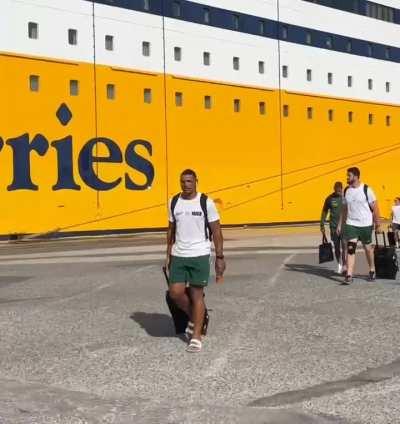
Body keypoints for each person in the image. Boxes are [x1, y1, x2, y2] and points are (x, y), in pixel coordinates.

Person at [166, 169, 225, 353]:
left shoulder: (205, 202)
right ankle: (197, 317)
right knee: (175, 293)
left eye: (189, 181)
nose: (186, 184)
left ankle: (196, 337)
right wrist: (168, 254)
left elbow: (216, 231)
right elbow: (170, 230)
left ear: (196, 182)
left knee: (196, 294)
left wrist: (220, 257)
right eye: (183, 181)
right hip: (179, 254)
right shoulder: (174, 202)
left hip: (199, 253)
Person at [337, 167, 381, 284]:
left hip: (366, 224)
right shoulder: (346, 191)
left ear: (356, 176)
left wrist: (377, 223)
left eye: (349, 176)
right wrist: (340, 225)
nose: (347, 178)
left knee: (368, 249)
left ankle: (372, 269)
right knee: (351, 248)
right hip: (352, 224)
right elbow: (344, 209)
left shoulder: (367, 189)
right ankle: (349, 275)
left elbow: (375, 207)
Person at [320, 181, 346, 274]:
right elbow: (324, 211)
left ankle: (345, 266)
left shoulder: (345, 198)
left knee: (344, 246)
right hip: (333, 227)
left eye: (340, 190)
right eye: (337, 191)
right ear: (334, 189)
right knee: (337, 247)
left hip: (344, 227)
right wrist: (322, 224)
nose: (339, 192)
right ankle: (339, 263)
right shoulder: (329, 199)